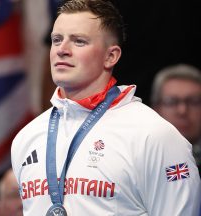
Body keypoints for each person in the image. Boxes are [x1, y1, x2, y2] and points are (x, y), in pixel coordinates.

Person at [11, 0, 201, 215]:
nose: (62, 50)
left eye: (79, 41)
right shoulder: (27, 137)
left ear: (111, 56)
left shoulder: (153, 135)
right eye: (56, 40)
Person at [151, 64, 201, 173]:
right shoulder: (141, 159)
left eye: (193, 101)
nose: (182, 111)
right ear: (155, 109)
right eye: (171, 102)